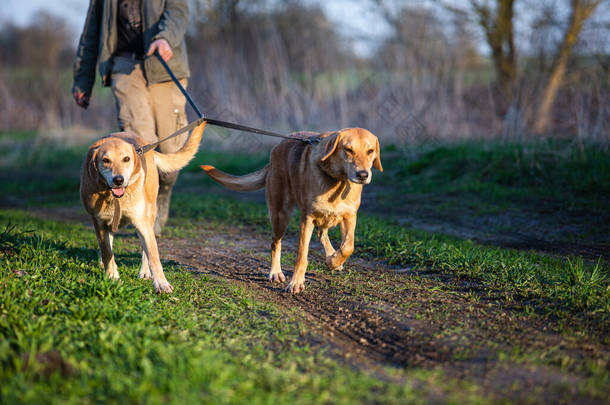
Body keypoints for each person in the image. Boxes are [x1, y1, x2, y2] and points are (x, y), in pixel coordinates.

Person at [73, 0, 191, 236]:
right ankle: (146, 208)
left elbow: (178, 11)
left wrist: (165, 37)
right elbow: (91, 31)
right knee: (142, 146)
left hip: (164, 63)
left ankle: (163, 191)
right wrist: (82, 79)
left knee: (169, 149)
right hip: (123, 65)